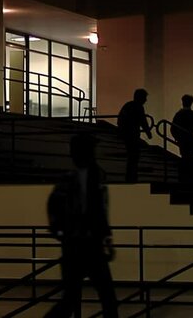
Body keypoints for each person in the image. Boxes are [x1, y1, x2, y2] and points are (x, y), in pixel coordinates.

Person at [46, 133, 119, 318]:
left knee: (79, 299)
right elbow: (99, 212)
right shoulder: (85, 179)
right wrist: (62, 232)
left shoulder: (92, 179)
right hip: (81, 245)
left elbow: (99, 212)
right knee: (99, 298)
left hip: (85, 245)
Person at [117, 89, 152, 183]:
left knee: (131, 157)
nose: (146, 100)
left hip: (127, 135)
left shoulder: (128, 105)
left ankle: (130, 177)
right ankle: (132, 178)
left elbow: (120, 119)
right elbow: (143, 121)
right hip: (133, 135)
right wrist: (148, 133)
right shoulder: (139, 107)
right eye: (145, 98)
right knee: (134, 157)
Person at [170, 94, 193, 184]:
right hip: (191, 139)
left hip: (182, 139)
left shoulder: (179, 114)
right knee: (191, 158)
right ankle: (190, 177)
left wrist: (176, 137)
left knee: (184, 156)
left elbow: (173, 128)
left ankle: (183, 177)